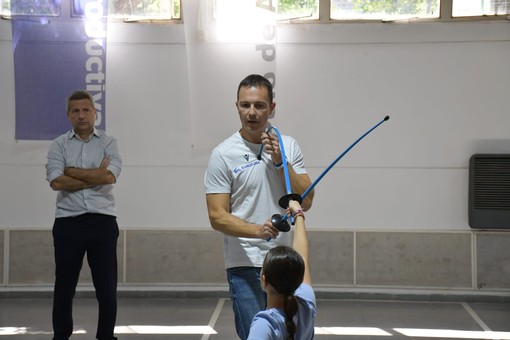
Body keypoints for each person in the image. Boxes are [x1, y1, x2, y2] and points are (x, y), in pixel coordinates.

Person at [204, 74, 314, 339]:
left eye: (259, 105)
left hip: (285, 262)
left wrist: (280, 162)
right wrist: (257, 231)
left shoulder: (288, 145)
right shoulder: (222, 154)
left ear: (272, 108)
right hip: (245, 263)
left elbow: (306, 200)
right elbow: (217, 216)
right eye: (245, 105)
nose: (251, 112)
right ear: (237, 107)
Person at [46, 90, 122, 340]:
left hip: (102, 223)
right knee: (64, 287)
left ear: (94, 113)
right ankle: (61, 336)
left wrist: (72, 171)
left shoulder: (108, 143)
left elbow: (109, 176)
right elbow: (56, 182)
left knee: (107, 288)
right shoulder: (59, 144)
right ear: (68, 115)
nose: (81, 115)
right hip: (68, 223)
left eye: (86, 110)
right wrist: (92, 176)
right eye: (76, 111)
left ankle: (105, 337)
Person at [248, 199, 315, 340]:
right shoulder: (306, 305)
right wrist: (298, 213)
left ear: (264, 280)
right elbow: (302, 255)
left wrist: (298, 214)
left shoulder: (264, 325)